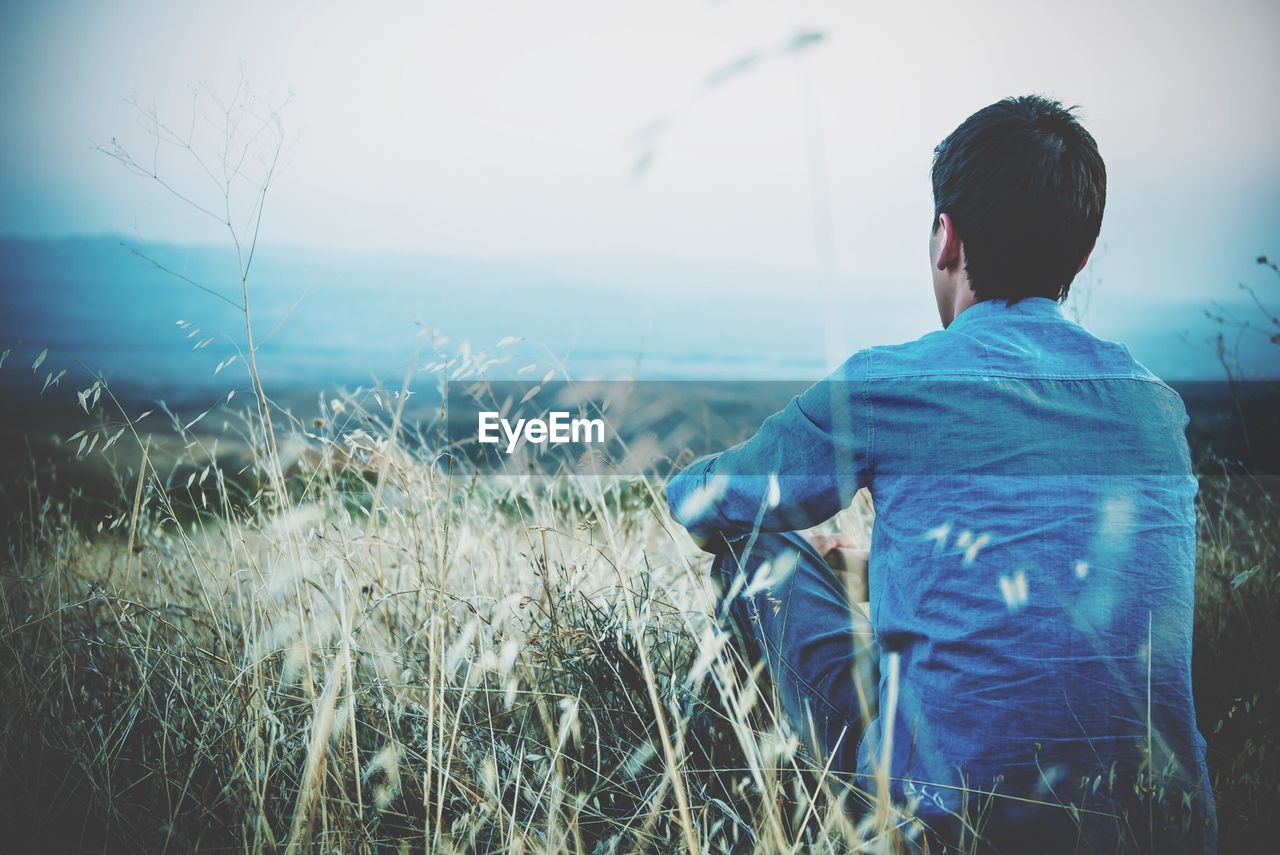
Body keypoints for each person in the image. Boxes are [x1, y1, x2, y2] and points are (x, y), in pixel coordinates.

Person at [665, 94, 1216, 852]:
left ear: (946, 238)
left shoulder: (890, 383)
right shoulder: (1157, 408)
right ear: (1081, 257)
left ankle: (795, 808)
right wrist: (876, 564)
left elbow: (708, 499)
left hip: (946, 829)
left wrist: (701, 498)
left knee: (747, 549)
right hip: (1157, 828)